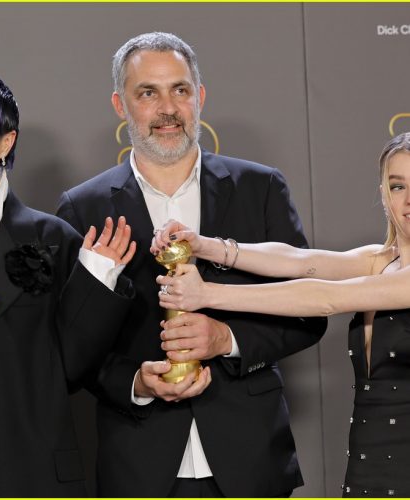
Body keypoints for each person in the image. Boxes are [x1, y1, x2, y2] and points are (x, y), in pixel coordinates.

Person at [57, 32, 327, 497]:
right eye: (148, 93)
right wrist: (136, 382)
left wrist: (227, 338)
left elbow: (308, 312)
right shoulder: (84, 208)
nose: (168, 108)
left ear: (199, 96)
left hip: (251, 460)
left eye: (179, 90)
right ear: (121, 105)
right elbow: (70, 346)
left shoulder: (260, 188)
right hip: (139, 464)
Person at [0, 72, 136, 497]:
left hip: (35, 474)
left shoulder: (57, 238)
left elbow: (73, 366)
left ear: (6, 142)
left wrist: (98, 280)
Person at [153, 132, 410, 497]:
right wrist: (205, 246)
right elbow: (299, 261)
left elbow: (326, 298)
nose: (408, 199)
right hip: (369, 468)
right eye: (398, 186)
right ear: (384, 194)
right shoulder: (380, 261)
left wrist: (208, 293)